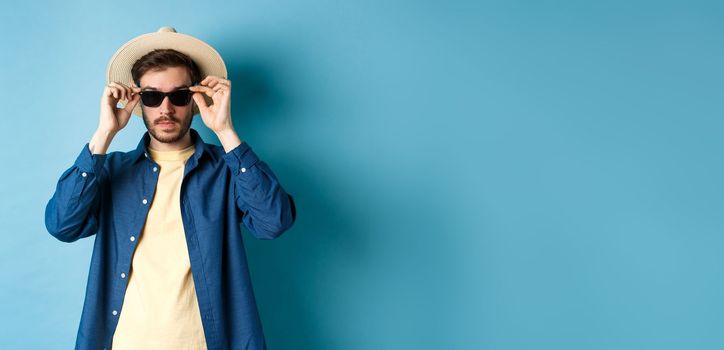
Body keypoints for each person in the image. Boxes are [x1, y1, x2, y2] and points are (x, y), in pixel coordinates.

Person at [44, 26, 296, 350]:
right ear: (138, 101)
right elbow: (62, 224)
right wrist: (104, 134)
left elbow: (274, 221)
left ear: (194, 99)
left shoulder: (226, 170)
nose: (165, 109)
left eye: (178, 96)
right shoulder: (110, 170)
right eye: (152, 96)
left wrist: (225, 130)